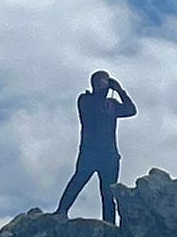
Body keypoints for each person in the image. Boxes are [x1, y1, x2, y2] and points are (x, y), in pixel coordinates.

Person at [55, 70, 137, 223]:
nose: (104, 84)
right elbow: (96, 105)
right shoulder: (85, 100)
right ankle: (61, 211)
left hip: (109, 154)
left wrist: (120, 91)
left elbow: (131, 110)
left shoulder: (112, 104)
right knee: (78, 180)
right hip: (90, 152)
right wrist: (111, 92)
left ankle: (109, 224)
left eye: (106, 81)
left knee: (108, 193)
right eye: (101, 81)